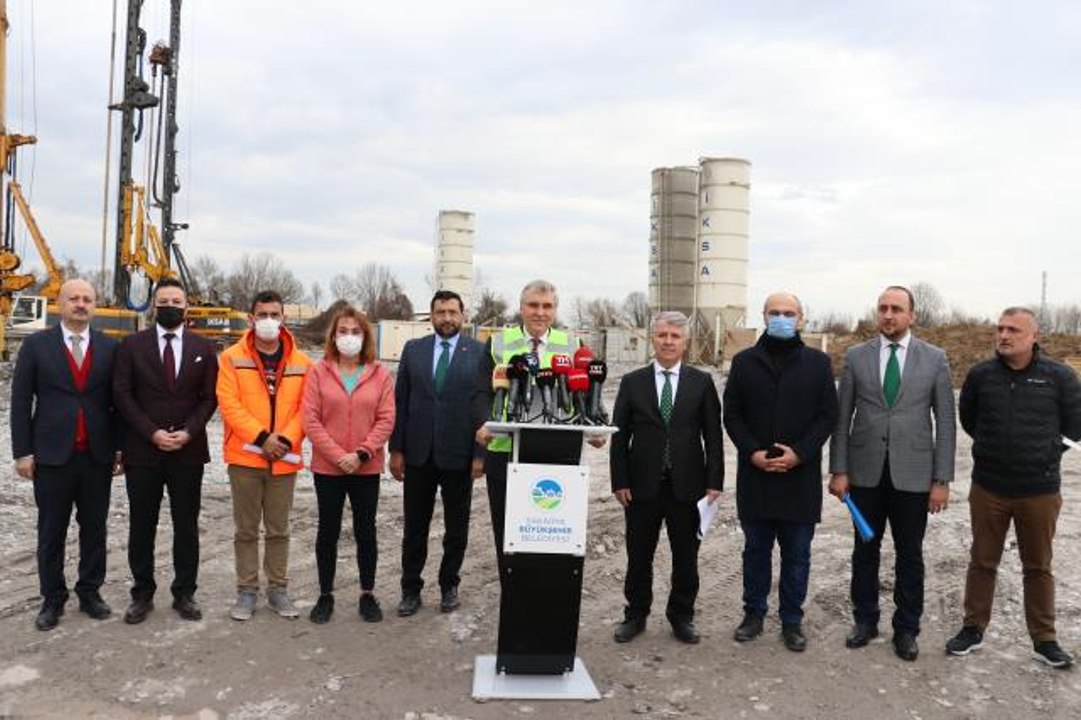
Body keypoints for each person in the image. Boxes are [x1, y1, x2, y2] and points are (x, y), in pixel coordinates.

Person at [945, 307, 1081, 668]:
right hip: (989, 487)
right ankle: (972, 628)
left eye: (1013, 330)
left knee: (1038, 566)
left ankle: (1044, 639)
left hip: (1039, 490)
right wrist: (994, 449)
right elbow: (969, 420)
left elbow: (1076, 424)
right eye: (1000, 328)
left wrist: (1049, 452)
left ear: (1034, 336)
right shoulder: (980, 376)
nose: (1004, 335)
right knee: (982, 561)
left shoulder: (1060, 377)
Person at [829, 285, 956, 661]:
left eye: (896, 309)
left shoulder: (935, 358)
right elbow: (842, 417)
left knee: (909, 554)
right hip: (865, 474)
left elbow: (945, 423)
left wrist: (941, 480)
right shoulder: (856, 356)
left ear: (911, 315)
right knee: (864, 551)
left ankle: (906, 629)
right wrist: (839, 469)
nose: (888, 315)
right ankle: (865, 621)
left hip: (913, 477)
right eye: (883, 308)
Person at [723, 292, 838, 652]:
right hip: (756, 475)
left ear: (802, 318)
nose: (782, 318)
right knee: (755, 550)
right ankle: (753, 613)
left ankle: (792, 620)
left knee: (797, 554)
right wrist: (752, 452)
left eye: (789, 313)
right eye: (775, 313)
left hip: (799, 479)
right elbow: (733, 414)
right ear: (764, 316)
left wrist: (800, 453)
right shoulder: (744, 362)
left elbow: (827, 416)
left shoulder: (819, 364)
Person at [10, 278, 122, 631]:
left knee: (94, 530)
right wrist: (23, 451)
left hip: (96, 456)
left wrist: (119, 446)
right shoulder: (35, 345)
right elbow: (20, 401)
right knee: (51, 531)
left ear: (95, 305)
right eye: (73, 298)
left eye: (87, 299)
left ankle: (90, 592)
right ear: (59, 303)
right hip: (51, 456)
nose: (80, 304)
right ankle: (52, 598)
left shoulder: (109, 347)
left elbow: (117, 403)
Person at [609, 311, 723, 645]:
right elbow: (620, 436)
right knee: (639, 555)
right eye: (662, 335)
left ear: (685, 342)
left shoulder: (701, 382)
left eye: (675, 336)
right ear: (652, 339)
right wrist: (619, 481)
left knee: (686, 557)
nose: (668, 341)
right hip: (642, 485)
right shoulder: (633, 382)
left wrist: (714, 479)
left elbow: (712, 435)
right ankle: (636, 614)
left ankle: (682, 616)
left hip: (688, 487)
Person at [113, 278, 219, 624]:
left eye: (176, 300)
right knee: (142, 524)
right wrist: (151, 432)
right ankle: (142, 594)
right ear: (153, 306)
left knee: (186, 525)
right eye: (164, 300)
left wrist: (189, 432)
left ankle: (184, 592)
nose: (170, 305)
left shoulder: (204, 347)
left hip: (188, 453)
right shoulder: (131, 346)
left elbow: (209, 398)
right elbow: (123, 395)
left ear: (186, 307)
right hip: (143, 451)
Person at [472, 280, 583, 572]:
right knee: (509, 541)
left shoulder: (572, 345)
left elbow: (583, 392)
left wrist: (592, 425)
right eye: (533, 305)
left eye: (547, 306)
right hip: (506, 455)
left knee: (551, 539)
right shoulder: (498, 343)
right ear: (521, 308)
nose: (540, 312)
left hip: (558, 456)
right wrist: (485, 423)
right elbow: (481, 392)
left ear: (555, 310)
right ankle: (512, 601)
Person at [216, 290, 311, 621]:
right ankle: (246, 591)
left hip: (284, 458)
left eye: (275, 314)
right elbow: (229, 404)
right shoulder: (231, 357)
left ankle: (278, 590)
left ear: (283, 318)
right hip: (245, 458)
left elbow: (306, 409)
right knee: (245, 530)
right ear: (251, 318)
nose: (269, 320)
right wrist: (261, 438)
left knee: (278, 529)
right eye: (263, 314)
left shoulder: (301, 362)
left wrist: (283, 439)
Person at [390, 290, 485, 617]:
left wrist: (479, 454)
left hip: (460, 456)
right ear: (431, 315)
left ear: (463, 315)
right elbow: (400, 402)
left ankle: (449, 585)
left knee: (456, 527)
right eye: (440, 312)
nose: (446, 318)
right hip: (418, 454)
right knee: (415, 526)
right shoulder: (413, 351)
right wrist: (396, 449)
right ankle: (410, 589)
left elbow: (482, 408)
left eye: (452, 312)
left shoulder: (480, 353)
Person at [302, 306, 395, 624]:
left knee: (365, 531)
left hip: (365, 467)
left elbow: (386, 418)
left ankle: (367, 594)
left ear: (365, 336)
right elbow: (310, 419)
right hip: (328, 468)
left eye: (356, 332)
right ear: (333, 335)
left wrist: (362, 453)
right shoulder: (319, 371)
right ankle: (325, 594)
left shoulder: (379, 373)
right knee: (327, 531)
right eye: (343, 331)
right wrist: (336, 454)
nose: (349, 337)